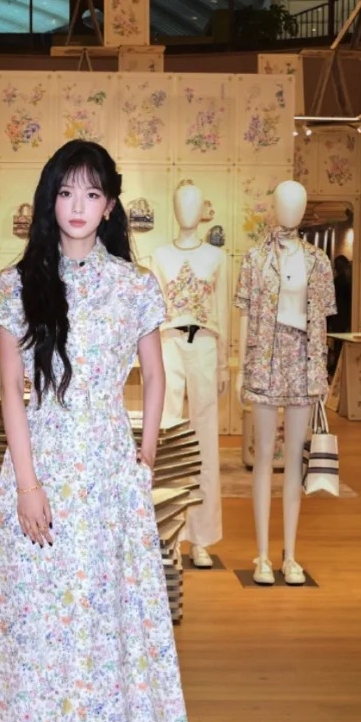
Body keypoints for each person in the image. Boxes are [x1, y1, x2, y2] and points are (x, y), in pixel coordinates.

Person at [0, 140, 190, 722]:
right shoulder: (16, 284)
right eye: (66, 192)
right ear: (48, 201)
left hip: (109, 477)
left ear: (110, 205)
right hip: (43, 470)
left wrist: (145, 451)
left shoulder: (134, 285)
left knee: (100, 622)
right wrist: (27, 484)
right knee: (42, 623)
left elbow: (154, 374)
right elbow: (10, 392)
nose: (78, 206)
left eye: (91, 193)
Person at [235, 180, 335, 586]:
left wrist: (321, 373)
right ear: (274, 207)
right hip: (264, 360)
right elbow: (244, 314)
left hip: (303, 362)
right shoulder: (255, 258)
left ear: (305, 209)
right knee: (263, 457)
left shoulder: (318, 261)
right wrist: (241, 368)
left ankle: (290, 555)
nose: (291, 210)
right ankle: (261, 555)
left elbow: (321, 321)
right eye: (284, 203)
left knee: (294, 459)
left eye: (298, 204)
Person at [152, 182, 229, 569]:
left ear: (203, 210)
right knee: (167, 437)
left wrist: (223, 362)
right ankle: (168, 533)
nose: (188, 209)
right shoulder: (159, 255)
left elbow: (222, 309)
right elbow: (151, 312)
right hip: (168, 344)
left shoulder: (216, 256)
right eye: (182, 202)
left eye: (194, 203)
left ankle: (201, 537)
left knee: (205, 441)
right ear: (173, 207)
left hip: (205, 345)